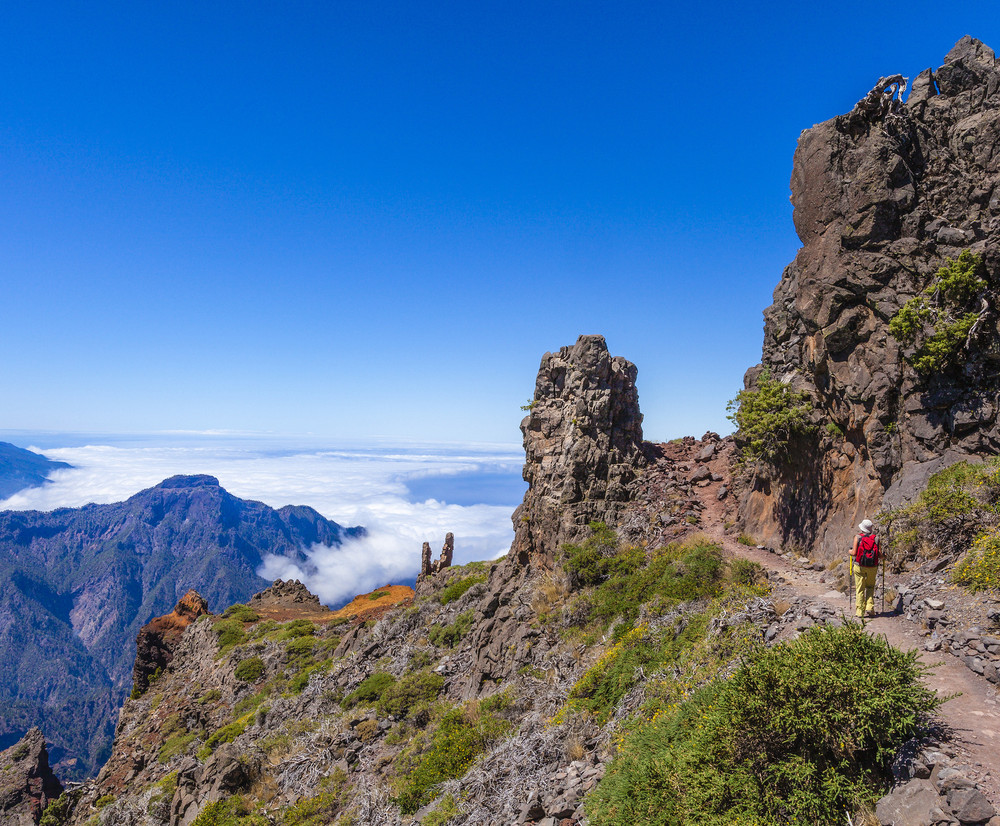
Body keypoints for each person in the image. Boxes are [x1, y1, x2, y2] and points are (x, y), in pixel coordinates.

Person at [851, 519, 880, 618]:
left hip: (859, 565)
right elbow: (879, 554)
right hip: (872, 566)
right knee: (870, 587)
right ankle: (870, 607)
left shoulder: (858, 537)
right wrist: (884, 556)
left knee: (860, 589)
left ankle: (860, 612)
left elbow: (854, 553)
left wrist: (849, 551)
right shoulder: (876, 538)